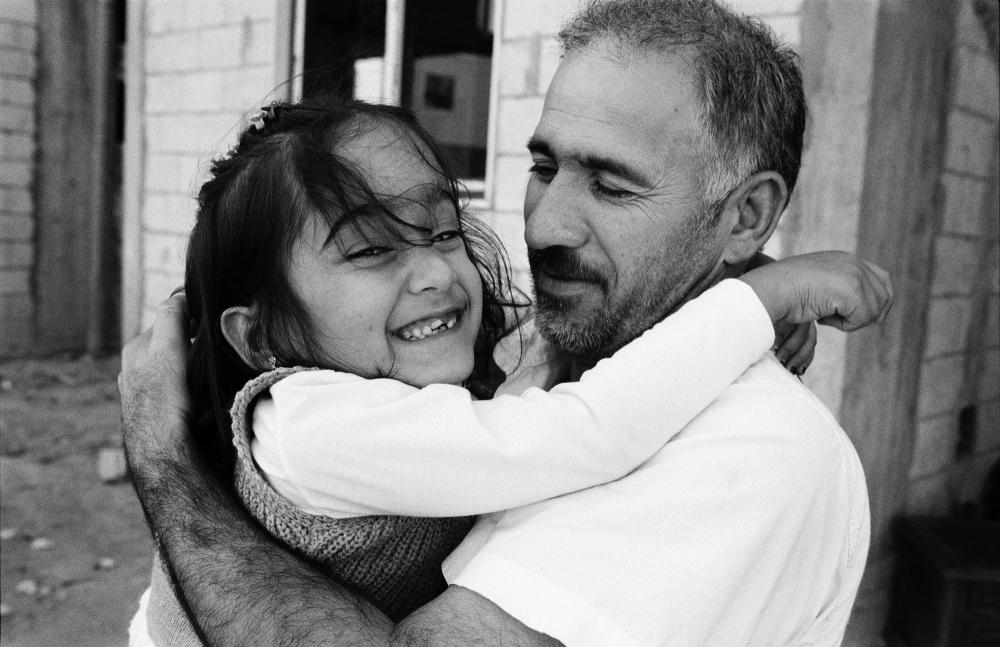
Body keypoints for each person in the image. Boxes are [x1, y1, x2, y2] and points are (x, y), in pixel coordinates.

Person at [121, 0, 894, 645]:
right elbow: (570, 417)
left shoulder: (749, 450)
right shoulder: (331, 416)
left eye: (613, 186)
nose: (547, 223)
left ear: (746, 215)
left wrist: (165, 461)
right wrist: (753, 292)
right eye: (545, 167)